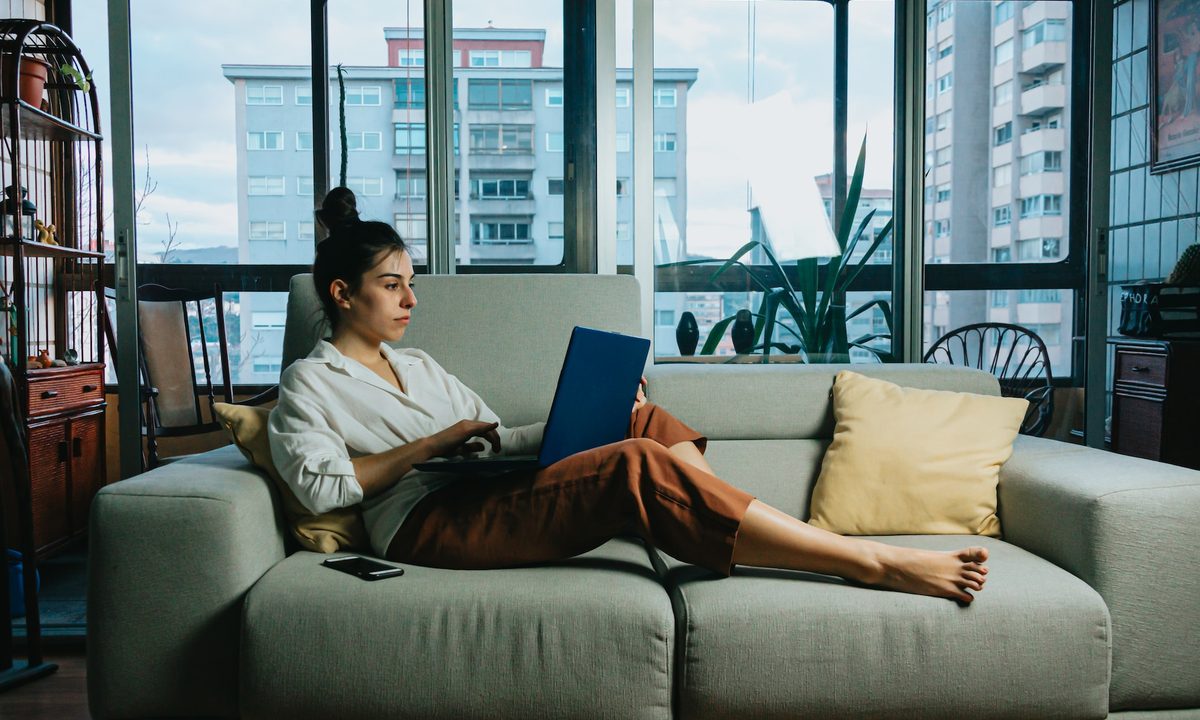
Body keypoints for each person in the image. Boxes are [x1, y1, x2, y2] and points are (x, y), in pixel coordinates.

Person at [269, 188, 989, 603]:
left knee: (639, 419)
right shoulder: (310, 383)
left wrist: (594, 410)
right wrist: (430, 445)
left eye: (411, 283)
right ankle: (868, 561)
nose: (410, 300)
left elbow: (490, 438)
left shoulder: (419, 364)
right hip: (425, 524)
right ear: (342, 293)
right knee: (634, 464)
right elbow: (323, 485)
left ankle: (719, 523)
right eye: (393, 285)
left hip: (480, 491)